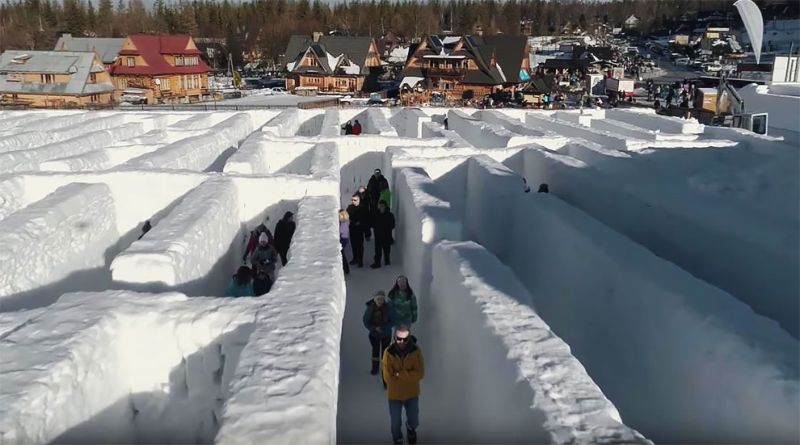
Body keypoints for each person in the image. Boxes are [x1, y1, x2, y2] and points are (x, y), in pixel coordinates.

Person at [382, 325, 424, 445]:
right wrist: (409, 375)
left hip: (411, 393)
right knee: (395, 423)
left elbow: (420, 373)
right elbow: (387, 377)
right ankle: (398, 439)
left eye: (405, 339)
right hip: (395, 395)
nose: (402, 342)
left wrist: (399, 374)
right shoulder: (388, 353)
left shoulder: (416, 351)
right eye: (399, 339)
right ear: (395, 338)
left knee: (414, 419)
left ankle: (411, 428)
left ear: (409, 338)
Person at [363, 291, 392, 374]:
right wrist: (374, 328)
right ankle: (375, 368)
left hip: (386, 334)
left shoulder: (388, 308)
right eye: (378, 299)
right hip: (374, 334)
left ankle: (384, 369)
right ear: (375, 300)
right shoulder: (370, 308)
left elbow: (392, 320)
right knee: (375, 351)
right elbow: (366, 321)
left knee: (385, 352)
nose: (380, 301)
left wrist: (385, 328)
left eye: (382, 299)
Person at [371, 200, 395, 268]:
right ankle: (377, 262)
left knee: (386, 249)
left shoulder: (390, 215)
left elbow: (393, 225)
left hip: (387, 235)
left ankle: (387, 261)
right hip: (378, 235)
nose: (381, 207)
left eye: (382, 206)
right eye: (380, 206)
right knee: (377, 250)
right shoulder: (376, 214)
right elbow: (372, 223)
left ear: (385, 206)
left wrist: (386, 228)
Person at [346, 194, 368, 268]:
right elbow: (347, 216)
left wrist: (361, 223)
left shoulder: (363, 208)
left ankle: (360, 260)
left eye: (355, 200)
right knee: (353, 245)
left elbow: (365, 219)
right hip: (352, 228)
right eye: (352, 200)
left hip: (360, 229)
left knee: (360, 245)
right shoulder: (350, 207)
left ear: (359, 200)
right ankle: (355, 258)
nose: (353, 201)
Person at [339, 209, 350, 275]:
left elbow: (342, 232)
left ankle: (346, 269)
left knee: (342, 254)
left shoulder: (344, 223)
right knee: (342, 253)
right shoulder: (344, 222)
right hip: (344, 239)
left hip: (343, 239)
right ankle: (346, 269)